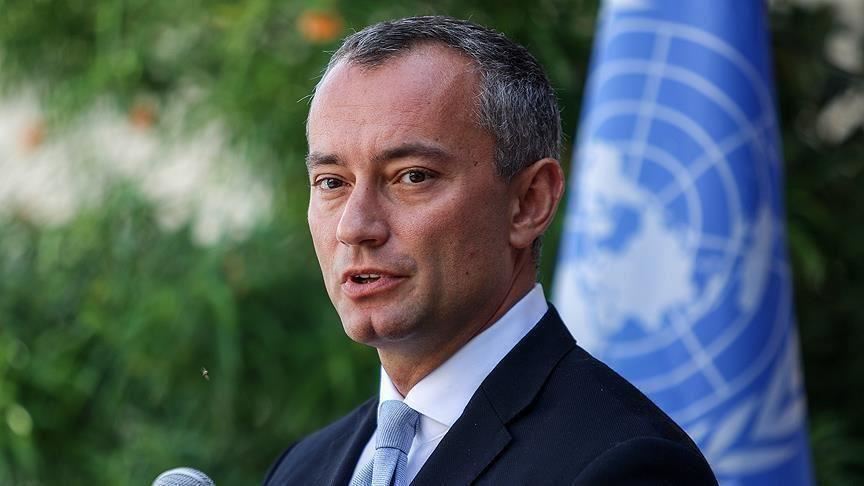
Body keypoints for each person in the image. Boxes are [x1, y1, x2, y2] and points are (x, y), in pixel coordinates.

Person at [264, 15, 717, 486]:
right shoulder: (300, 470)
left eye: (412, 176)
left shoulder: (627, 467)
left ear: (529, 202)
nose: (355, 227)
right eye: (332, 182)